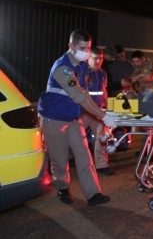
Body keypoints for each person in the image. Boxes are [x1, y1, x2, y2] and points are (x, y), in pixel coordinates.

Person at [37, 29, 117, 206]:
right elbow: (78, 96)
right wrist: (103, 116)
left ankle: (93, 194)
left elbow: (85, 94)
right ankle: (63, 188)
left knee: (84, 156)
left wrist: (102, 112)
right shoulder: (63, 68)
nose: (86, 52)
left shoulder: (81, 65)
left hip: (73, 118)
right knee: (59, 158)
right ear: (70, 46)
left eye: (88, 48)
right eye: (82, 48)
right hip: (54, 118)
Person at [81, 46, 114, 176]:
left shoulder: (102, 73)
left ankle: (102, 165)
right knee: (76, 136)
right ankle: (71, 159)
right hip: (85, 111)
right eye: (95, 58)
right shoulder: (83, 72)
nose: (98, 61)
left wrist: (106, 108)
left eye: (100, 59)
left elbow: (103, 91)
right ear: (88, 58)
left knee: (102, 138)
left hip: (99, 111)